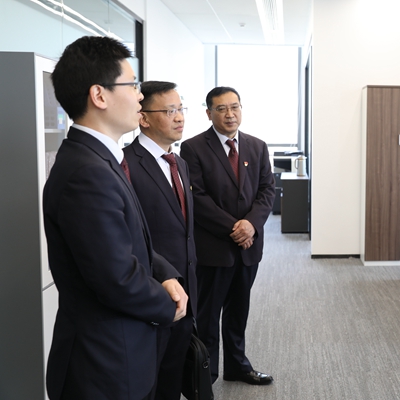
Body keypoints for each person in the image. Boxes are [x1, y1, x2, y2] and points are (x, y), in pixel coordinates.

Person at [43, 36, 188, 399]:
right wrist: (168, 306)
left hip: (118, 353)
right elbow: (116, 279)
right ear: (99, 95)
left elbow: (127, 240)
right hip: (105, 364)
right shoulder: (87, 173)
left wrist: (164, 274)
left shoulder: (100, 158)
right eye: (133, 85)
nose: (140, 97)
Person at [180, 86, 275, 385]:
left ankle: (237, 366)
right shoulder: (193, 148)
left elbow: (267, 190)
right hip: (215, 247)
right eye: (221, 109)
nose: (230, 114)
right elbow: (197, 197)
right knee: (208, 316)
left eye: (235, 107)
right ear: (209, 113)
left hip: (248, 248)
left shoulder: (257, 146)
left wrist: (251, 225)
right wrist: (236, 228)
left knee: (238, 312)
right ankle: (205, 376)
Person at [123, 81, 197, 400]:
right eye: (169, 111)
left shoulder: (179, 163)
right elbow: (129, 236)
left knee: (172, 376)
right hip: (152, 292)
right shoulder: (126, 164)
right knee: (147, 381)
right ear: (143, 118)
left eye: (181, 109)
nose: (179, 117)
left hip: (185, 290)